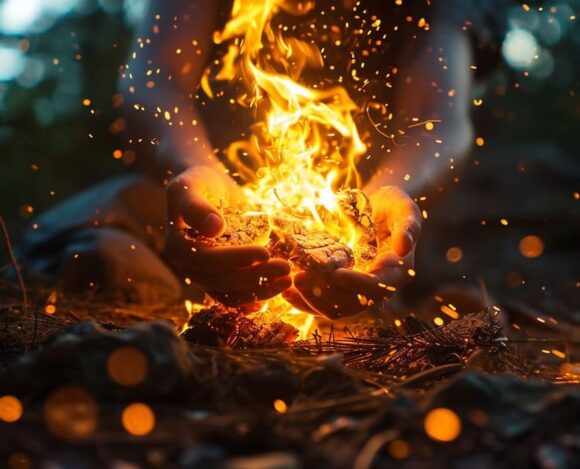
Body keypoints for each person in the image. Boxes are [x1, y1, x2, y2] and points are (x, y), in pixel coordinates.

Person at [17, 0, 507, 318]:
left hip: (365, 230)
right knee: (102, 256)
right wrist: (197, 173)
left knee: (377, 307)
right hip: (183, 194)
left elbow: (440, 123)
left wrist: (392, 195)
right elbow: (154, 81)